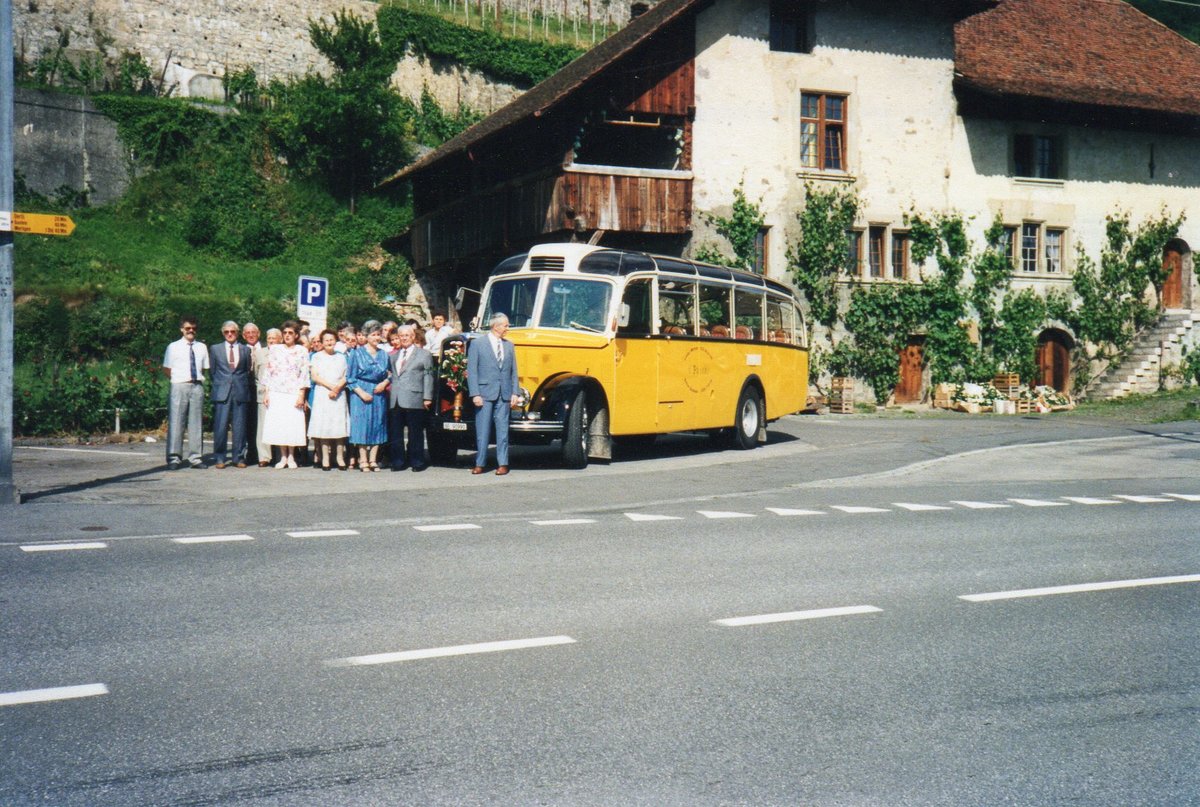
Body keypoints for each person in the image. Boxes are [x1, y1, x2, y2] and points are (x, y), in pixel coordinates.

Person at [467, 312, 519, 476]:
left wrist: (515, 392)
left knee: (502, 430)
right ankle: (480, 463)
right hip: (484, 393)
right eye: (506, 325)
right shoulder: (477, 344)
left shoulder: (509, 345)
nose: (508, 328)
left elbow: (514, 371)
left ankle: (503, 463)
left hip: (503, 394)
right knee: (483, 430)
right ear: (496, 326)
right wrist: (475, 393)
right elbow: (472, 371)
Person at [162, 315, 208, 470]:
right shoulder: (173, 347)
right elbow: (167, 369)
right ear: (182, 329)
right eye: (188, 328)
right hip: (179, 386)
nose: (191, 331)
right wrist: (180, 380)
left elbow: (204, 369)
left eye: (194, 328)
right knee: (176, 421)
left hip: (197, 386)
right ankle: (174, 458)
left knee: (196, 423)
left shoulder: (202, 347)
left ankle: (196, 458)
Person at [263, 320, 309, 469]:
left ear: (296, 335)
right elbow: (269, 371)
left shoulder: (302, 351)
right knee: (280, 424)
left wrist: (301, 394)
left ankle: (291, 456)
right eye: (285, 333)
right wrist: (267, 393)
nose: (287, 335)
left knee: (292, 425)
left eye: (291, 333)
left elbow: (304, 374)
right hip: (277, 392)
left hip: (293, 392)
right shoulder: (275, 349)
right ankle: (282, 457)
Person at [387, 324, 434, 472]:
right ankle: (398, 462)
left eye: (407, 335)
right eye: (401, 336)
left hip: (415, 397)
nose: (404, 338)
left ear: (413, 336)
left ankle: (417, 461)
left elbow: (428, 376)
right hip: (396, 398)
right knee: (396, 433)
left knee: (415, 433)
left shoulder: (424, 354)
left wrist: (427, 397)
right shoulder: (393, 356)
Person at [208, 321, 255, 468]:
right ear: (223, 333)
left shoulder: (245, 350)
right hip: (222, 392)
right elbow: (213, 371)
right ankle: (220, 458)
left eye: (233, 331)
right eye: (227, 332)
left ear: (237, 333)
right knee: (220, 426)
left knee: (240, 427)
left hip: (240, 391)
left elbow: (247, 370)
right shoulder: (215, 349)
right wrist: (222, 384)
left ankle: (238, 457)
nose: (230, 334)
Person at [346, 322, 390, 471]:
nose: (376, 337)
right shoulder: (356, 353)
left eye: (378, 334)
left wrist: (384, 383)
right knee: (362, 425)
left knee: (378, 423)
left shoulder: (384, 354)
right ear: (366, 336)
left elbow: (390, 374)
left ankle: (373, 459)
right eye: (373, 335)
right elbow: (350, 378)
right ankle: (363, 459)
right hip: (360, 391)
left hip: (378, 391)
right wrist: (361, 393)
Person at [307, 329, 349, 470]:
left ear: (336, 341)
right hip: (323, 394)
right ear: (322, 342)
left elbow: (346, 375)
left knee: (339, 427)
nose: (329, 342)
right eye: (326, 340)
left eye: (331, 339)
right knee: (323, 427)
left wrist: (337, 388)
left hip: (339, 394)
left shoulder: (342, 357)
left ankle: (339, 457)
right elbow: (315, 377)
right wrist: (331, 387)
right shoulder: (316, 357)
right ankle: (325, 458)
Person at [250, 327, 279, 466]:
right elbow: (256, 373)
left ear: (280, 340)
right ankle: (264, 457)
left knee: (278, 424)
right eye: (269, 338)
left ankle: (279, 455)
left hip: (280, 394)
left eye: (274, 338)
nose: (271, 341)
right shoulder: (259, 353)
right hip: (263, 393)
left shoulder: (284, 353)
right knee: (262, 425)